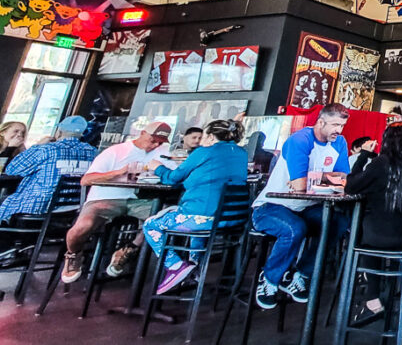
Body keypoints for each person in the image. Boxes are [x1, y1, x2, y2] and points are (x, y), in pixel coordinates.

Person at [251, 105, 351, 310]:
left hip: (306, 207)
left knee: (338, 223)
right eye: (335, 125)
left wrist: (314, 178)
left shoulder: (339, 142)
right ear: (321, 122)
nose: (338, 130)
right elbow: (299, 185)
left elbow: (343, 180)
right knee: (294, 229)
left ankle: (301, 274)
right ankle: (269, 279)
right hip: (272, 205)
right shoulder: (300, 140)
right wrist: (324, 179)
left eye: (341, 125)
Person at [139, 119, 249, 294]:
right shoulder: (241, 153)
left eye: (204, 135)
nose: (201, 140)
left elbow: (173, 178)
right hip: (231, 220)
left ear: (211, 137)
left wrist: (157, 167)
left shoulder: (203, 152)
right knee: (191, 222)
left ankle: (175, 266)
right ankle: (194, 269)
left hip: (202, 220)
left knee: (151, 224)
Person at [61, 121, 171, 284]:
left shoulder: (162, 153)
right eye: (152, 140)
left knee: (166, 217)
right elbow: (86, 180)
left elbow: (173, 173)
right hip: (105, 198)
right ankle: (73, 254)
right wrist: (119, 172)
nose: (155, 145)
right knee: (82, 227)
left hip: (138, 200)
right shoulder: (116, 151)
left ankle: (129, 249)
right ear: (142, 134)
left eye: (160, 142)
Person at [345, 121, 402, 316]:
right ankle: (392, 294)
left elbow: (350, 187)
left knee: (362, 232)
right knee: (373, 228)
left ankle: (373, 297)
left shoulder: (382, 163)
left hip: (382, 239)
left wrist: (363, 155)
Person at [0, 116, 95, 227]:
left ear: (58, 132)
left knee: (5, 200)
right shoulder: (93, 152)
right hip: (71, 210)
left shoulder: (46, 149)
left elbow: (12, 170)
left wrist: (37, 146)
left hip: (35, 207)